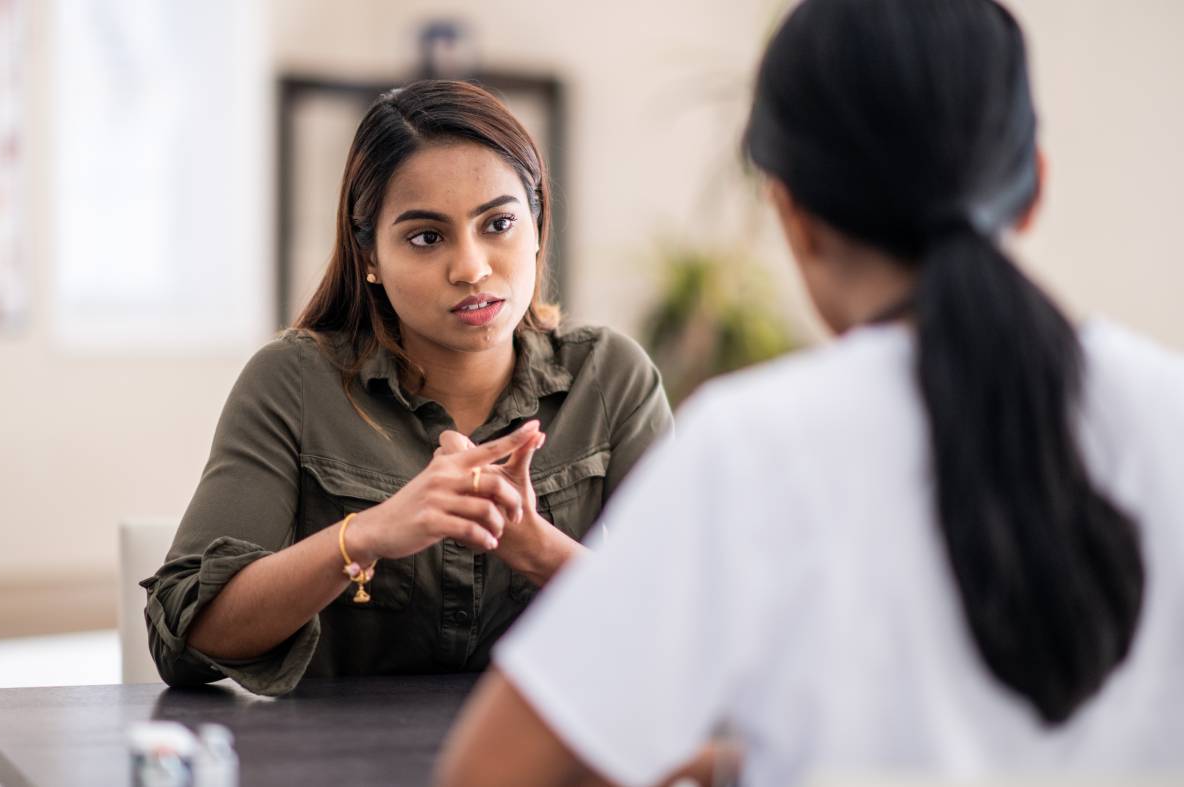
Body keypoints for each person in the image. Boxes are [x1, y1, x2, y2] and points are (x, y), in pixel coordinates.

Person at [435, 1, 1184, 785]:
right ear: (1034, 187)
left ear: (792, 213)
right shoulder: (1167, 411)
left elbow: (491, 770)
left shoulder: (754, 446)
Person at [141, 80, 672, 697]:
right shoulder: (292, 382)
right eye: (427, 236)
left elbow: (693, 630)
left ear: (536, 224)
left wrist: (536, 548)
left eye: (498, 223)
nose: (471, 268)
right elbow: (186, 640)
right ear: (369, 256)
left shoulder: (610, 378)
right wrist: (365, 535)